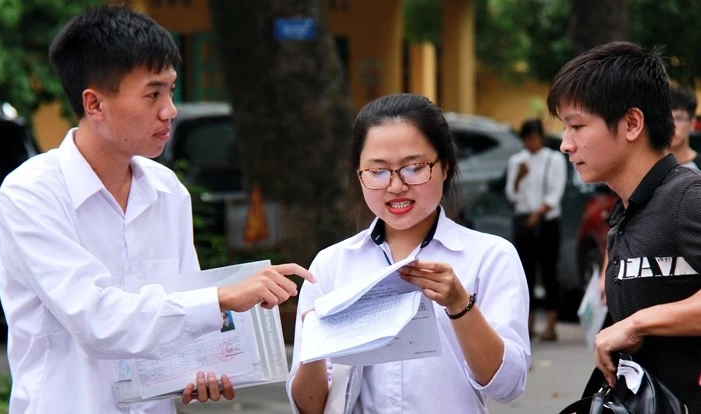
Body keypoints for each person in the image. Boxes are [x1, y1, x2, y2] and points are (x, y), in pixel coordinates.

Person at [0, 5, 314, 414]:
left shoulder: (167, 191)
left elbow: (184, 321)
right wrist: (222, 298)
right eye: (152, 93)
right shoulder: (31, 194)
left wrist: (205, 366)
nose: (170, 110)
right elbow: (97, 320)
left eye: (171, 90)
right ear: (95, 104)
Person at [286, 93, 530, 413]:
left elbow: (508, 386)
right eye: (378, 171)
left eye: (414, 167)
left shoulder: (490, 256)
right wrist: (314, 344)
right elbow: (308, 407)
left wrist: (460, 305)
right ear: (359, 174)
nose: (396, 185)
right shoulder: (332, 264)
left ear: (445, 166)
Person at [547, 41, 701, 408]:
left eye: (577, 126)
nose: (566, 145)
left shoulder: (687, 197)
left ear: (632, 123)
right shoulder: (625, 212)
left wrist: (636, 324)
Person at [505, 118, 567, 341]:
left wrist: (538, 214)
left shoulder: (554, 159)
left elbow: (555, 192)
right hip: (524, 220)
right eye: (526, 139)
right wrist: (519, 178)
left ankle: (551, 325)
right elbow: (511, 195)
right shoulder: (517, 161)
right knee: (526, 273)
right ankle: (528, 325)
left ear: (540, 137)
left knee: (549, 272)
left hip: (546, 220)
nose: (529, 143)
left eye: (532, 138)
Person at [669, 85, 701, 170]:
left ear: (692, 123)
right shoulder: (651, 165)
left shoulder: (698, 167)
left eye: (678, 118)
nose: (672, 125)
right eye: (667, 118)